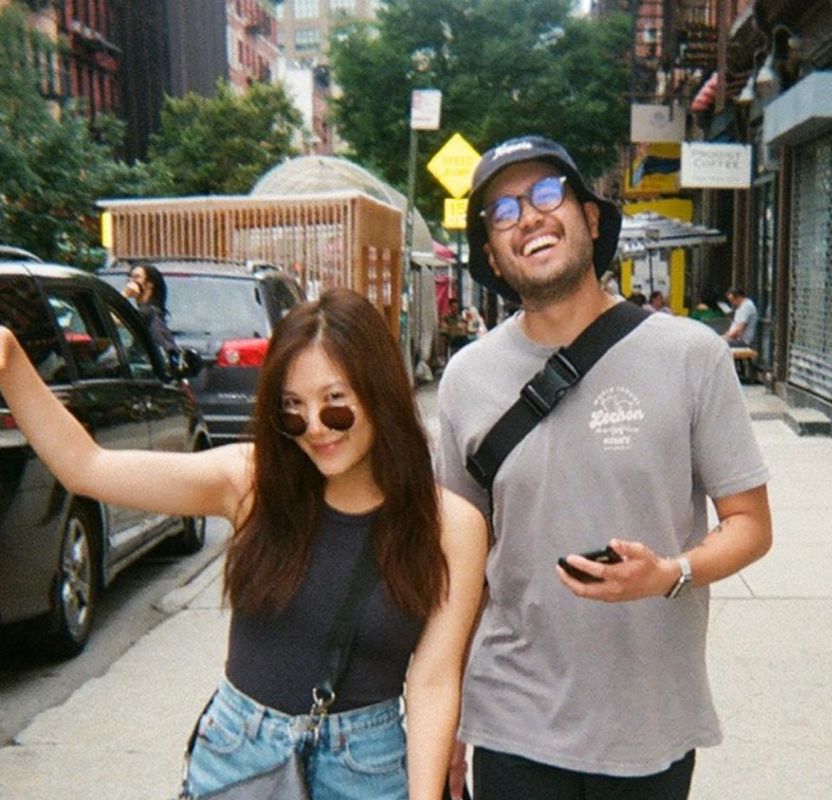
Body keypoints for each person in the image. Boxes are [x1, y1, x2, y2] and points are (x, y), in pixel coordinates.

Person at [0, 288, 487, 800]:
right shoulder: (253, 483)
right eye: (293, 409)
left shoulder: (452, 525)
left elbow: (433, 682)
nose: (315, 428)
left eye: (335, 404)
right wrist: (10, 359)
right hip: (239, 756)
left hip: (367, 769)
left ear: (380, 394)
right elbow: (87, 467)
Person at [437, 135, 772, 800]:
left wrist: (670, 573)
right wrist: (446, 714)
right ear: (493, 256)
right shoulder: (467, 379)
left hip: (649, 721)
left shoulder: (691, 355)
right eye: (503, 212)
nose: (528, 217)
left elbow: (750, 525)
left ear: (590, 219)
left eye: (545, 194)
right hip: (513, 717)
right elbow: (462, 565)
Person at [121, 262, 176, 353]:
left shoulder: (147, 312)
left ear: (149, 284)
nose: (130, 282)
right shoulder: (152, 311)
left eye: (136, 277)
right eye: (129, 278)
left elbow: (112, 319)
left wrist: (124, 295)